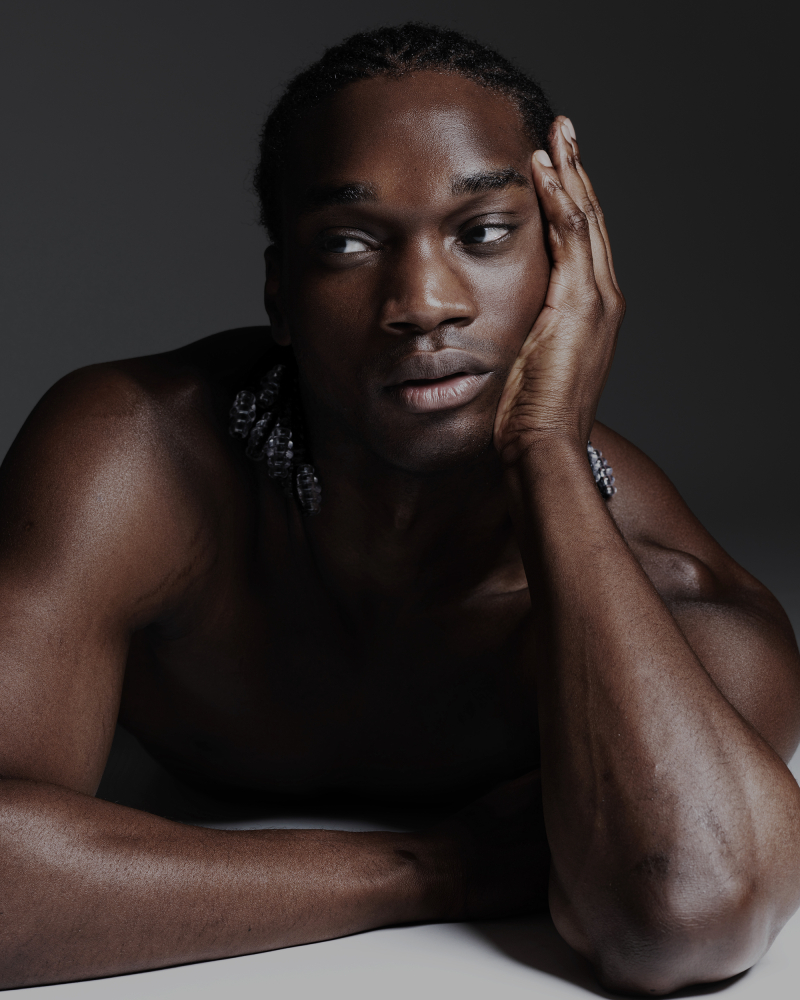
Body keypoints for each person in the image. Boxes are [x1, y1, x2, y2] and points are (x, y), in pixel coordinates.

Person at [1, 22, 798, 994]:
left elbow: (689, 914)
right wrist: (441, 867)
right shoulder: (140, 459)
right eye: (347, 242)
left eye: (484, 233)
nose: (422, 301)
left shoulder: (678, 592)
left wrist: (546, 449)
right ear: (280, 295)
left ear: (569, 269)